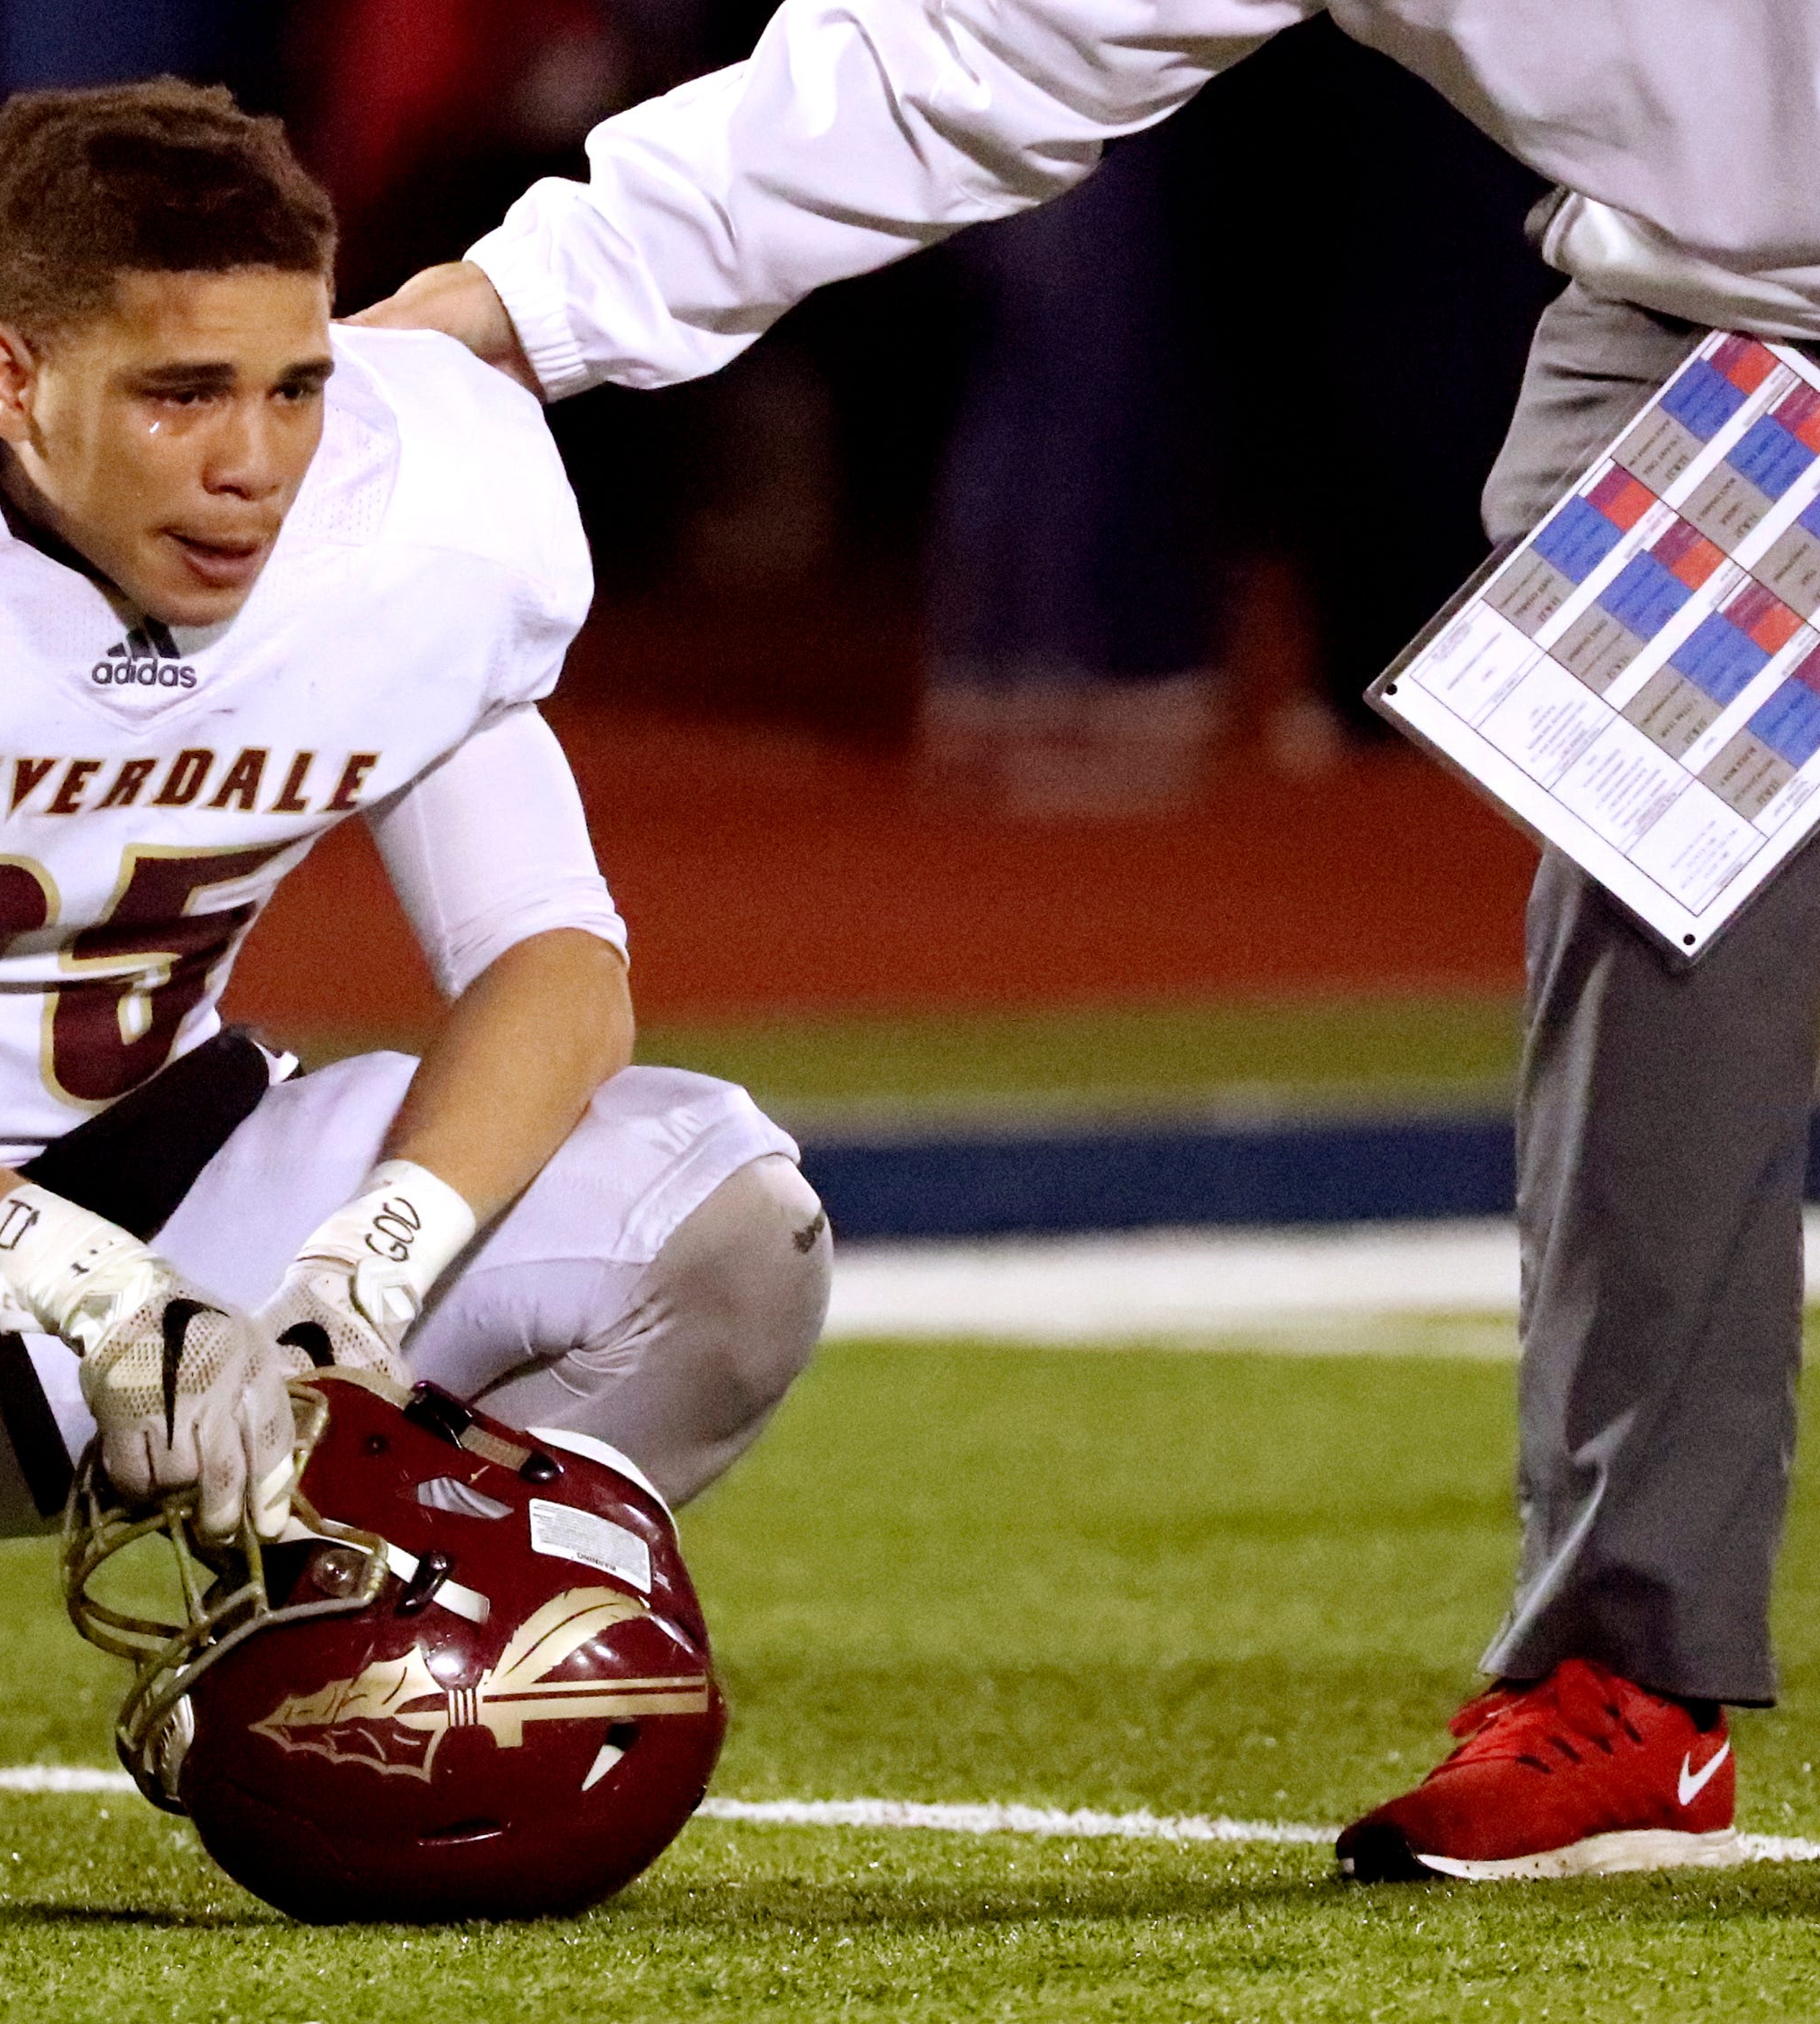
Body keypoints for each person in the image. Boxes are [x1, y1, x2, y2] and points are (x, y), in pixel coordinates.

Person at [358, 0, 1819, 1882]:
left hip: (1719, 286)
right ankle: (1627, 1678)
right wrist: (511, 300)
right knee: (1663, 928)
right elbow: (962, 47)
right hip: (1721, 317)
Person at [0, 80, 830, 1934]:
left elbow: (554, 963)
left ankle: (361, 1623)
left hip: (195, 1209)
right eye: (181, 394)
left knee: (731, 1221)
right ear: (9, 380)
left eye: (295, 386)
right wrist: (87, 1289)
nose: (255, 462)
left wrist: (362, 1270)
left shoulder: (421, 510)